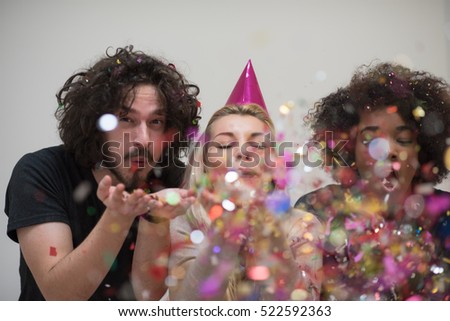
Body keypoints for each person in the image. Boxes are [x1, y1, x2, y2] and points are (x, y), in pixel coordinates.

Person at [4, 46, 201, 300]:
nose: (143, 139)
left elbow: (146, 297)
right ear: (97, 125)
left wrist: (156, 219)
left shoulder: (170, 178)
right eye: (126, 119)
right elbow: (60, 297)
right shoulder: (42, 171)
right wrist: (119, 215)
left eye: (155, 122)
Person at [167, 61, 323, 300]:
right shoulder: (186, 221)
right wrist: (225, 236)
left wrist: (268, 235)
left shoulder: (302, 226)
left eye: (258, 145)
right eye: (226, 145)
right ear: (205, 163)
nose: (243, 152)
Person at [295, 62, 450, 300]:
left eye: (403, 139)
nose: (387, 151)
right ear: (349, 151)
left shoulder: (445, 216)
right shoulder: (318, 210)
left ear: (423, 151)